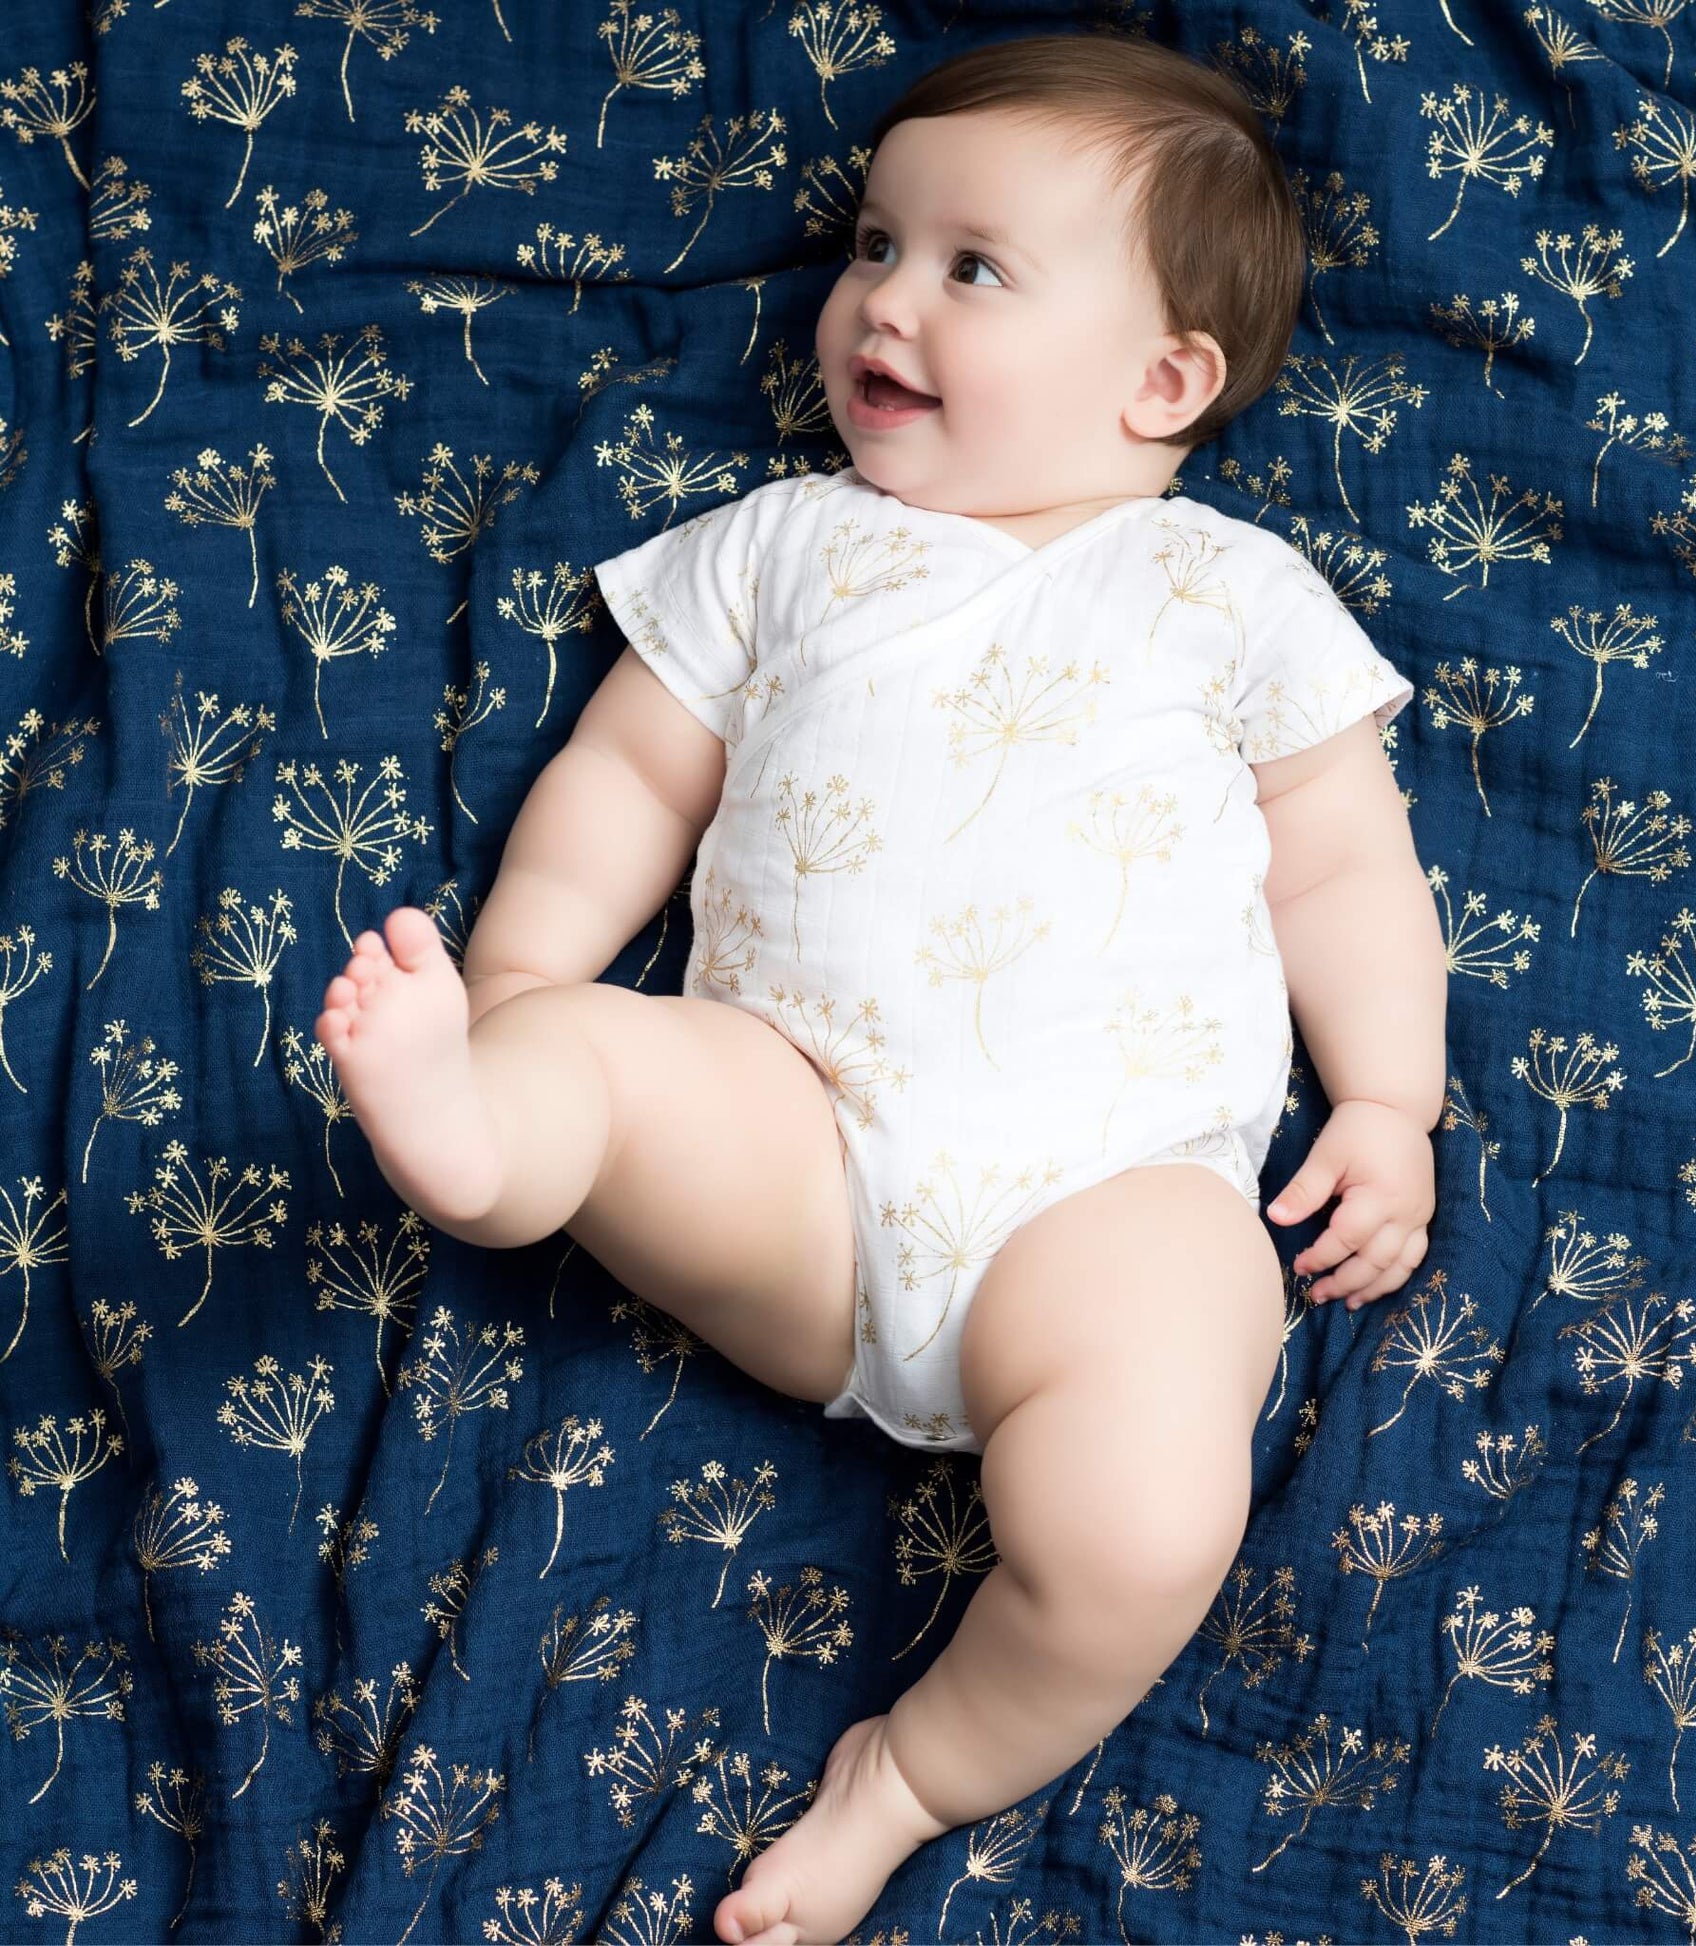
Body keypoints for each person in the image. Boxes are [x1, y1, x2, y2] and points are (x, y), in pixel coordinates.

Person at [314, 34, 1445, 1946]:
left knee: (1153, 1512)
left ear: (1165, 378)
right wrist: (519, 976)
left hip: (1104, 1195)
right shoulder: (780, 547)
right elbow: (629, 779)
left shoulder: (1228, 591)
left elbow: (1344, 865)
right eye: (871, 246)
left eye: (970, 268)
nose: (880, 300)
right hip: (805, 1145)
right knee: (599, 1061)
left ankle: (905, 1776)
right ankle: (481, 1132)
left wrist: (1387, 1098)